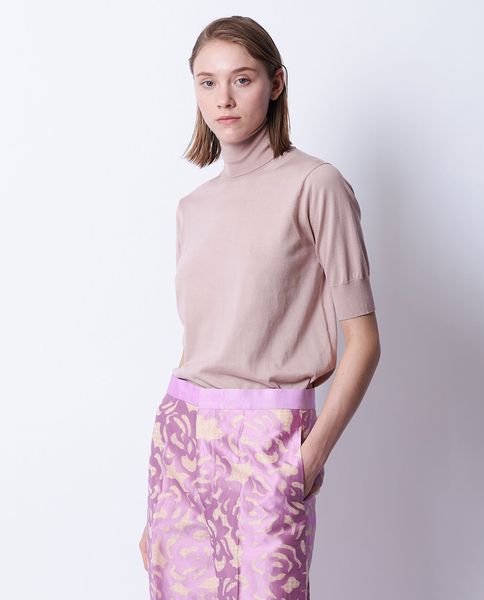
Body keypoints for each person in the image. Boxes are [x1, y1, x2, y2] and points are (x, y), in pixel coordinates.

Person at [139, 15, 381, 600]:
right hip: (182, 434)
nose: (223, 98)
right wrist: (162, 492)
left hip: (269, 438)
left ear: (276, 83)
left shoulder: (316, 185)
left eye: (241, 79)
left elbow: (365, 341)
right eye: (207, 82)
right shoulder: (192, 207)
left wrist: (309, 457)